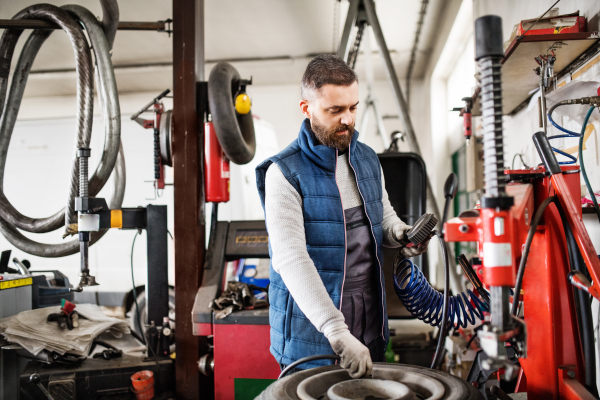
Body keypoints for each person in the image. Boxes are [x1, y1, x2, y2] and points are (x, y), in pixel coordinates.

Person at [256, 54, 428, 378]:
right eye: (335, 110)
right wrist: (336, 331)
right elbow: (291, 258)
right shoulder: (283, 173)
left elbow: (383, 215)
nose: (348, 119)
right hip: (312, 329)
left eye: (353, 107)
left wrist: (403, 235)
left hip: (368, 315)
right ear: (307, 109)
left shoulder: (367, 158)